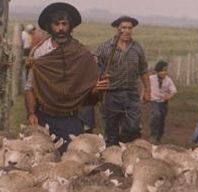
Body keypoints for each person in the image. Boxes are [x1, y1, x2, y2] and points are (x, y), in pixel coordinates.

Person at [24, 2, 107, 153]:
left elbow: (89, 93)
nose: (61, 28)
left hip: (71, 119)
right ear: (50, 27)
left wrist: (97, 89)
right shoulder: (39, 53)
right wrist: (31, 113)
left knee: (72, 162)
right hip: (43, 117)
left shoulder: (81, 54)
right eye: (56, 24)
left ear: (70, 26)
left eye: (64, 24)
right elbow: (29, 87)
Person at [95, 15, 150, 146]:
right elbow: (94, 66)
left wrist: (147, 90)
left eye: (129, 28)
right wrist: (97, 82)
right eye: (123, 28)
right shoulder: (106, 47)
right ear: (117, 29)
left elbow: (143, 70)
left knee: (133, 128)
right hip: (111, 94)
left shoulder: (137, 48)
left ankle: (125, 147)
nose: (126, 31)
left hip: (131, 94)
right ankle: (112, 157)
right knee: (111, 131)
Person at [148, 60, 177, 144]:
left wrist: (169, 97)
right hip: (154, 101)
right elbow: (146, 85)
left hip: (163, 102)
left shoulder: (168, 80)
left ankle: (159, 136)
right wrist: (144, 94)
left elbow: (174, 91)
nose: (164, 73)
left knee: (161, 118)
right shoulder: (151, 78)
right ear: (157, 71)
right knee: (156, 115)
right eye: (161, 70)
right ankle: (153, 134)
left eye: (165, 70)